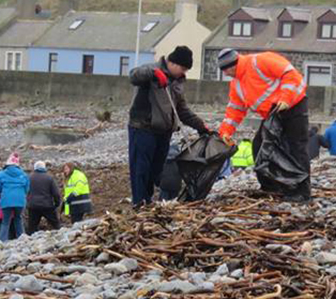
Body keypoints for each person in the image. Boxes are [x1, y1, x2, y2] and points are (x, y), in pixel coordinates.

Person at [216, 48, 310, 199]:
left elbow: (291, 75)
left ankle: (301, 192)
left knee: (296, 148)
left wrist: (286, 99)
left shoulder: (260, 61)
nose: (225, 74)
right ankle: (271, 187)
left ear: (232, 65)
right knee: (259, 147)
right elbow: (235, 109)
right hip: (273, 114)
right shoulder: (236, 84)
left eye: (225, 70)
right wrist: (225, 131)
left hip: (293, 107)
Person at [128, 45, 211, 207]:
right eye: (182, 68)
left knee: (156, 170)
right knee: (141, 169)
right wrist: (153, 74)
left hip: (164, 133)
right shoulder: (150, 70)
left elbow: (182, 110)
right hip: (143, 128)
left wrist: (201, 126)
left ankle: (148, 200)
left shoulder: (177, 82)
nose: (183, 72)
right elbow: (133, 76)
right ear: (172, 63)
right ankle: (139, 203)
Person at [0, 153, 29, 242]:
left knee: (5, 221)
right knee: (18, 218)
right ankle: (22, 239)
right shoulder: (24, 175)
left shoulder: (2, 174)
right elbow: (27, 189)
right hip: (20, 200)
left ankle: (2, 241)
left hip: (6, 200)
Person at [26, 160, 61, 233]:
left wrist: (27, 203)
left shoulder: (29, 178)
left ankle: (29, 242)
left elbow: (26, 191)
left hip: (33, 205)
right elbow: (56, 193)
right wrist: (57, 203)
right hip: (47, 205)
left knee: (31, 228)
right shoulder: (49, 178)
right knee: (56, 225)